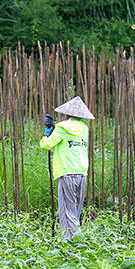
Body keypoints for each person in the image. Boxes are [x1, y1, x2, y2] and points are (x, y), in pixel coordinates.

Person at [40, 96, 93, 240]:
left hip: (66, 173)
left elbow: (46, 145)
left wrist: (47, 134)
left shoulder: (62, 128)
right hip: (82, 173)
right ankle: (77, 243)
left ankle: (73, 243)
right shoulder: (84, 128)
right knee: (75, 211)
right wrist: (55, 128)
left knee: (66, 212)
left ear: (66, 113)